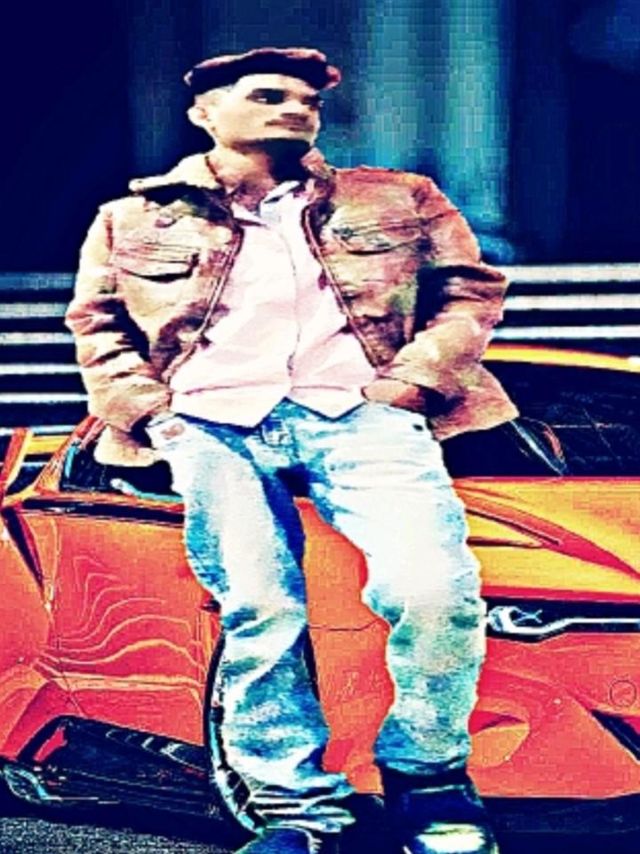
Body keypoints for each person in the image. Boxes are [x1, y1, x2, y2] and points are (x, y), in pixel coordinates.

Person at [66, 46, 517, 854]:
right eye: (269, 95)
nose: (296, 110)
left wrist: (411, 382)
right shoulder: (129, 218)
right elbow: (97, 326)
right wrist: (152, 411)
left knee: (434, 589)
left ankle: (429, 777)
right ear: (205, 112)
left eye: (308, 101)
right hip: (211, 423)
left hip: (362, 414)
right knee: (261, 609)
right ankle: (299, 813)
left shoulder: (399, 196)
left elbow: (470, 291)